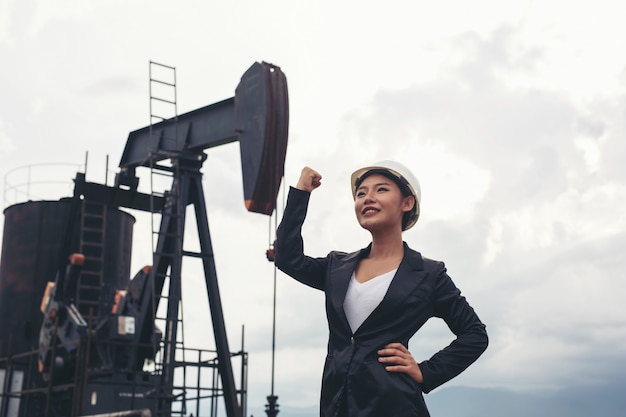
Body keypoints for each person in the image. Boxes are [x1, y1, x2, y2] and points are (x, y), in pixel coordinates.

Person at [274, 161, 488, 417]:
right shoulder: (336, 267)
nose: (367, 198)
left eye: (381, 190)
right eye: (361, 193)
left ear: (406, 203)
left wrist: (426, 371)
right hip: (336, 405)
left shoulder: (429, 274)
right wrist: (301, 194)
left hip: (395, 405)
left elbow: (475, 334)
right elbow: (287, 258)